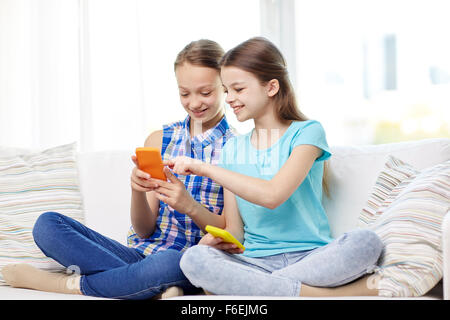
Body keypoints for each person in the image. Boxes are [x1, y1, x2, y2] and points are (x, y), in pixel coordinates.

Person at [0, 39, 235, 299]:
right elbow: (144, 230)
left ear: (225, 87)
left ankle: (66, 285)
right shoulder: (160, 139)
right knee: (47, 225)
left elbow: (230, 232)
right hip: (138, 254)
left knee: (168, 262)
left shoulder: (237, 148)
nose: (194, 103)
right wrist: (136, 190)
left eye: (205, 93)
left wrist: (190, 206)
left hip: (190, 262)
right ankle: (149, 286)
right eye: (184, 93)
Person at [166, 37, 384, 297]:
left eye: (238, 89)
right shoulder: (233, 149)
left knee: (366, 242)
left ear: (271, 87)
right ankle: (324, 295)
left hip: (311, 257)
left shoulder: (307, 133)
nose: (230, 99)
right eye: (226, 91)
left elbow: (272, 195)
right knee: (194, 259)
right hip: (254, 261)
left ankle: (264, 287)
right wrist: (216, 243)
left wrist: (203, 168)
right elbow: (235, 230)